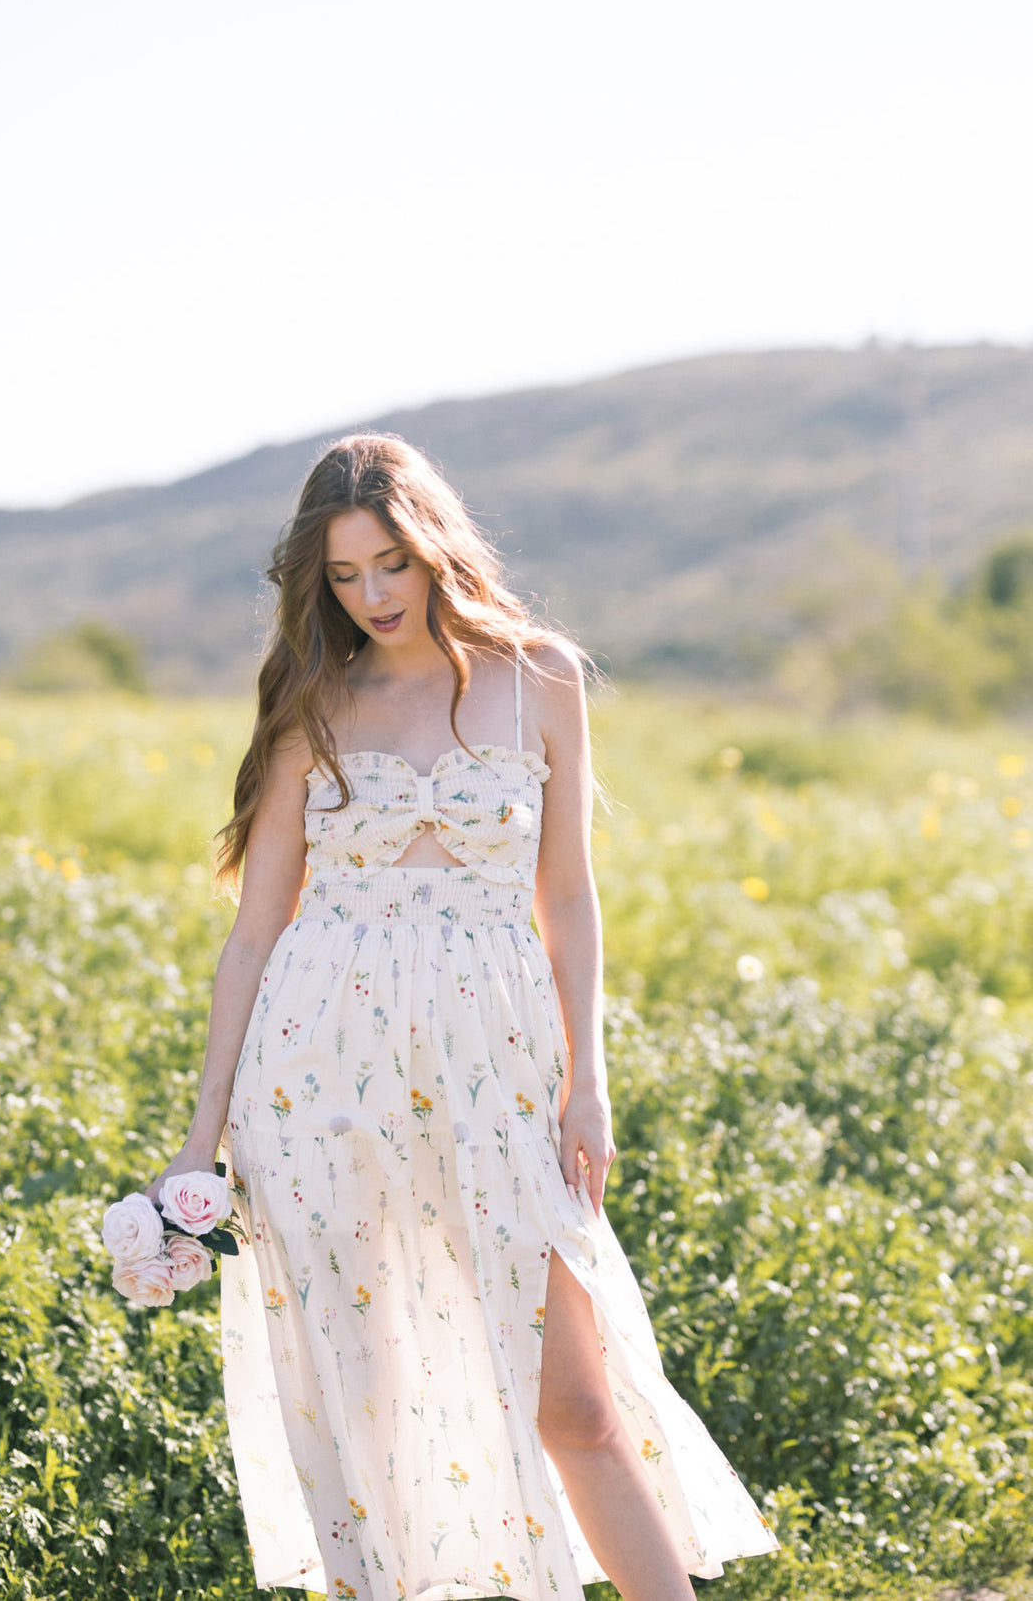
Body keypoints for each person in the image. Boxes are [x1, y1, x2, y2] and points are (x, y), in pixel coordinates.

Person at [146, 434, 779, 1600]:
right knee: (365, 1405)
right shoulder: (313, 704)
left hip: (501, 1066)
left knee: (577, 1401)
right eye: (342, 576)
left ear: (435, 544)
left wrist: (589, 1078)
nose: (373, 596)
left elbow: (571, 896)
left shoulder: (540, 677)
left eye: (389, 562)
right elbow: (254, 932)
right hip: (317, 1075)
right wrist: (202, 1141)